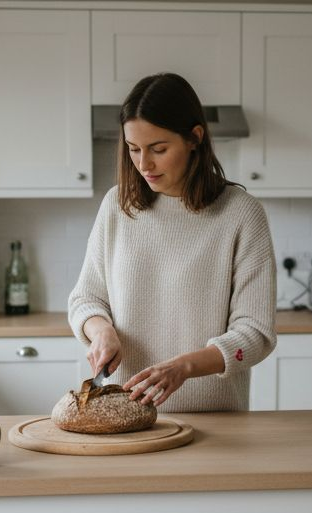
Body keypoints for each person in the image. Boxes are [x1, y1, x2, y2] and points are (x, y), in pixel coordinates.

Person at [67, 73, 276, 412]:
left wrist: (184, 367)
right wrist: (101, 330)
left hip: (216, 423)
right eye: (134, 149)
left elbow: (256, 335)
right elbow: (85, 299)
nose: (144, 164)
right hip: (128, 416)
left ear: (194, 138)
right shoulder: (116, 206)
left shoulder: (241, 214)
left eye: (159, 149)